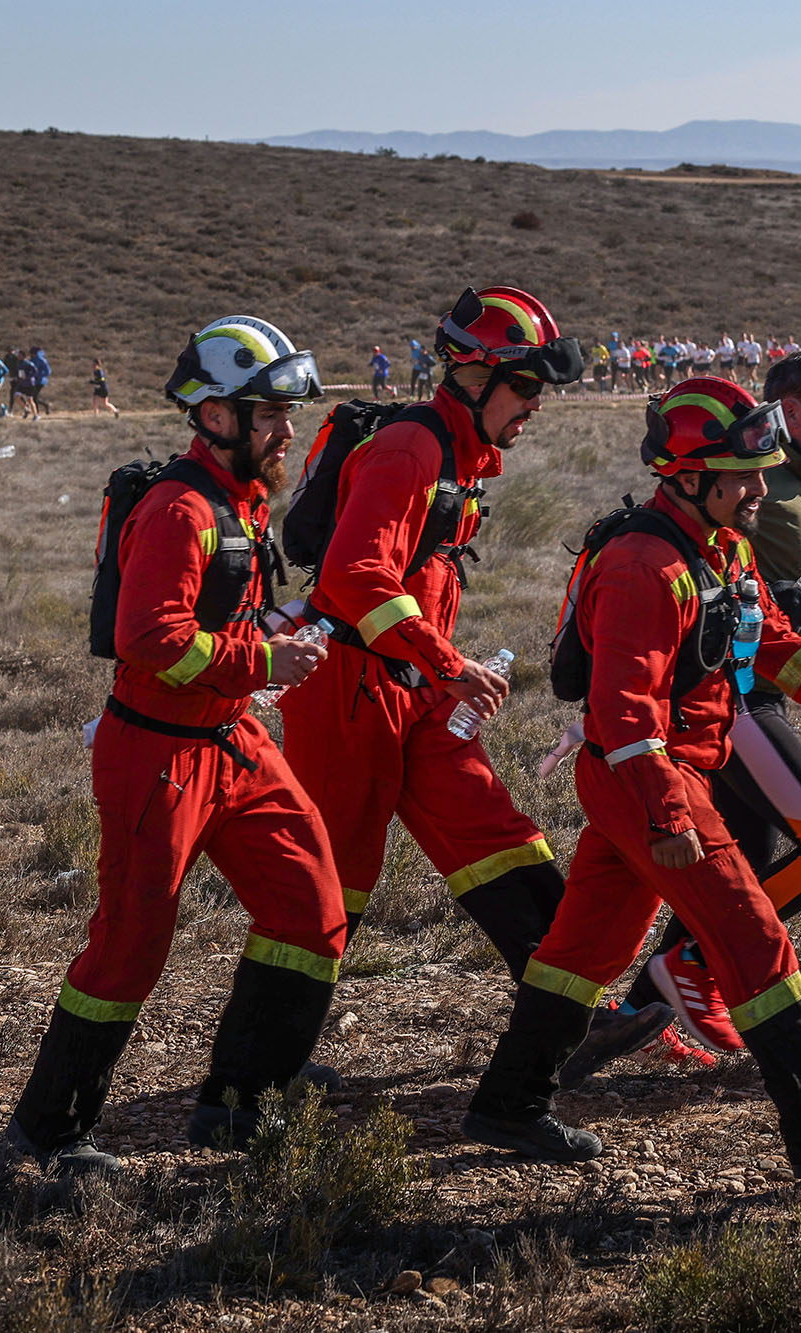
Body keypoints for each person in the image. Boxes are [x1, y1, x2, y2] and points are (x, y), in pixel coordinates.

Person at [461, 376, 801, 1175]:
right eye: (742, 477)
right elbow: (626, 709)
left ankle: (508, 1103)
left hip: (657, 780)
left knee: (584, 948)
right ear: (687, 477)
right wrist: (668, 814)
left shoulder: (721, 547)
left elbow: (773, 643)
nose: (757, 489)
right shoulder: (646, 565)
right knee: (751, 932)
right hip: (652, 781)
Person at [278, 286, 668, 1078]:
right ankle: (267, 1063)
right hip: (353, 688)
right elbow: (354, 576)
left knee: (499, 837)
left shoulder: (459, 452)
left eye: (540, 392)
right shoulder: (412, 450)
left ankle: (573, 1016)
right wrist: (449, 664)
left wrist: (438, 670)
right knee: (335, 877)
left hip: (414, 687)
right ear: (472, 374)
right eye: (525, 387)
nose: (535, 406)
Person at [7, 315, 350, 1173]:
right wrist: (264, 657)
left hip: (231, 741)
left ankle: (240, 1105)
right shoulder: (179, 507)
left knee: (312, 907)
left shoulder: (242, 500)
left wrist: (269, 642)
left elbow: (217, 620)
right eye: (269, 413)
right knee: (132, 941)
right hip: (156, 753)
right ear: (217, 415)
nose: (287, 429)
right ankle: (49, 1131)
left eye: (286, 413)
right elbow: (149, 638)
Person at [610, 351, 801, 1058]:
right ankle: (695, 967)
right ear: (791, 411)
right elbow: (745, 609)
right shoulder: (750, 487)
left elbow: (792, 617)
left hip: (758, 693)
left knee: (747, 855)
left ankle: (641, 1014)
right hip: (735, 702)